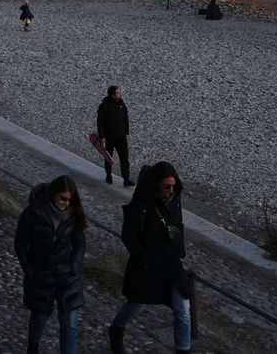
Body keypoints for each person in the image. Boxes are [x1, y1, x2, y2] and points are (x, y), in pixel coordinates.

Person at [109, 161, 193, 354]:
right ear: (156, 185)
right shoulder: (141, 203)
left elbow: (178, 225)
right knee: (136, 303)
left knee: (183, 310)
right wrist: (145, 259)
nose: (171, 191)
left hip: (171, 263)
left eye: (173, 186)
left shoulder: (175, 198)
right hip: (147, 264)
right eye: (167, 187)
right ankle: (117, 329)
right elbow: (128, 235)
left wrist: (180, 250)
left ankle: (183, 350)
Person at [14, 174, 87, 354]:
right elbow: (20, 243)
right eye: (63, 198)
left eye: (70, 200)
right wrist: (30, 270)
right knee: (39, 317)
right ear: (53, 194)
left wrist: (74, 266)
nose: (66, 203)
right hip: (41, 275)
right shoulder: (32, 213)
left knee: (70, 324)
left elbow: (80, 244)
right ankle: (33, 347)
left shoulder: (73, 215)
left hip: (67, 276)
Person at [97, 86, 132, 187]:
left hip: (121, 136)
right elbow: (100, 121)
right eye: (118, 93)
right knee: (108, 157)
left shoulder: (121, 103)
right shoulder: (104, 105)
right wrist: (102, 136)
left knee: (124, 158)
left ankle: (126, 179)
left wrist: (126, 130)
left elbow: (125, 116)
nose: (120, 94)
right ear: (112, 94)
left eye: (119, 92)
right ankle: (108, 176)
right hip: (109, 137)